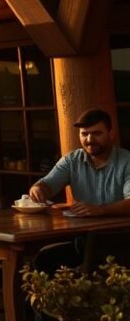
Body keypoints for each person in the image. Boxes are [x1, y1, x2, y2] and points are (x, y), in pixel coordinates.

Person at [28, 108, 130, 272]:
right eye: (84, 134)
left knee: (87, 267)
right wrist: (39, 189)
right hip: (83, 241)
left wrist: (100, 210)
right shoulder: (72, 160)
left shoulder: (127, 162)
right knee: (42, 261)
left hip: (121, 242)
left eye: (97, 133)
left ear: (111, 134)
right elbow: (47, 184)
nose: (89, 139)